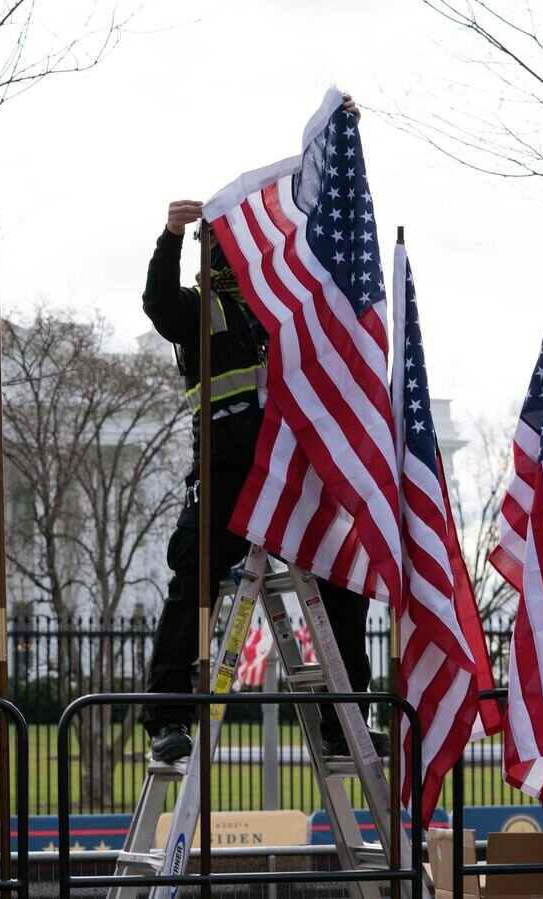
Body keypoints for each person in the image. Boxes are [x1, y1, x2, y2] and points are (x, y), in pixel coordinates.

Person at [138, 95, 388, 763]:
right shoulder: (195, 310)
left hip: (291, 466)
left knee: (342, 577)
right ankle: (166, 720)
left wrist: (338, 149)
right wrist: (167, 237)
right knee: (193, 586)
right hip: (225, 472)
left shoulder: (280, 304)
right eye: (216, 248)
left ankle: (344, 721)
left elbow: (325, 249)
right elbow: (157, 301)